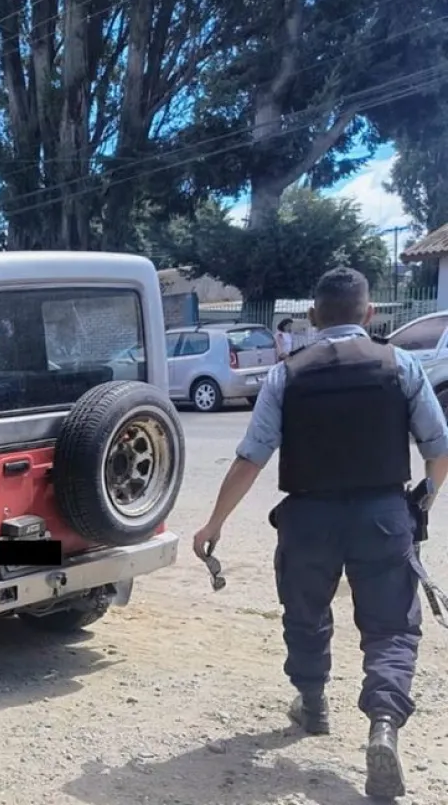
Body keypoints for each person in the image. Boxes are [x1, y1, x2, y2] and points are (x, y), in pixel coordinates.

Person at [191, 267, 448, 800]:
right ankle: (383, 726)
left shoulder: (286, 375)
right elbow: (438, 448)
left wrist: (214, 523)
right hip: (383, 515)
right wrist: (422, 501)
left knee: (306, 615)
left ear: (311, 317)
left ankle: (313, 705)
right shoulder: (399, 364)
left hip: (308, 520)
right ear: (370, 314)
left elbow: (251, 458)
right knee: (392, 628)